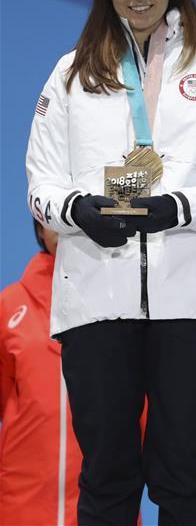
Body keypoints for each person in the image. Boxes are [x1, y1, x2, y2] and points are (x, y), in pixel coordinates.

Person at [25, 0, 196, 526]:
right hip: (97, 299)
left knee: (182, 474)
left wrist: (175, 208)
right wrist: (78, 211)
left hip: (194, 300)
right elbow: (41, 185)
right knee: (105, 473)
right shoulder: (71, 72)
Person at [0, 221, 80, 525]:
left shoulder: (124, 306)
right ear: (38, 228)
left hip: (104, 503)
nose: (64, 229)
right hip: (20, 505)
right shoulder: (9, 306)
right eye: (53, 221)